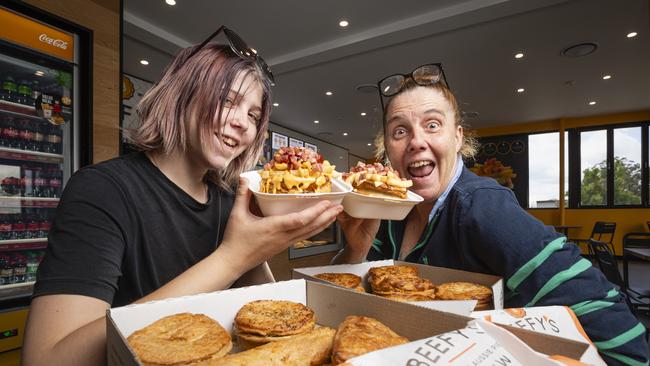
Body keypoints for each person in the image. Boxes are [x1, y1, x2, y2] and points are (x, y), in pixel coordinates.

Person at [22, 26, 342, 365]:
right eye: (228, 100)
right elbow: (47, 359)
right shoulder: (103, 191)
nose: (243, 124)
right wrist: (232, 257)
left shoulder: (229, 200)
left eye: (253, 115)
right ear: (182, 94)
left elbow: (268, 323)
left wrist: (262, 247)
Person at [335, 63, 649, 365]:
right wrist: (357, 249)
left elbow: (620, 332)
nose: (417, 141)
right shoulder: (389, 213)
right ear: (387, 148)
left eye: (432, 125)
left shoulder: (483, 207)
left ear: (457, 137)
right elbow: (337, 300)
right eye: (399, 131)